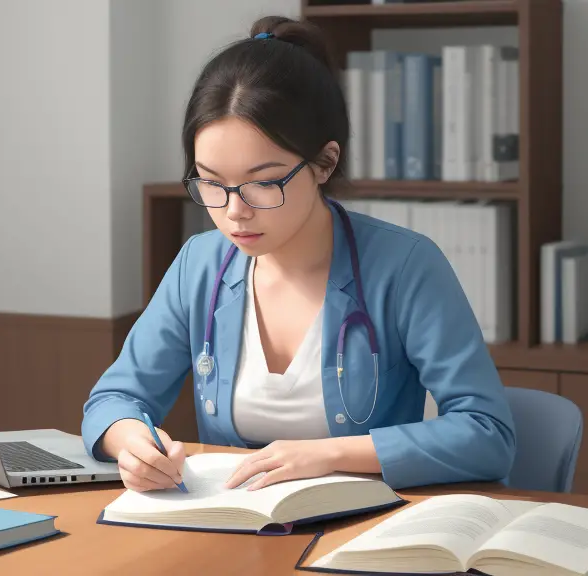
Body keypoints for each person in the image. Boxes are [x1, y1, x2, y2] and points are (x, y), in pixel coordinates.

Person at [81, 15, 516, 494]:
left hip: (363, 532)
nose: (234, 213)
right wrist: (131, 442)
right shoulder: (198, 266)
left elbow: (487, 433)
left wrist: (327, 455)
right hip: (232, 530)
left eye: (264, 183)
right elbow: (115, 398)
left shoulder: (405, 266)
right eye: (211, 183)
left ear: (325, 162)